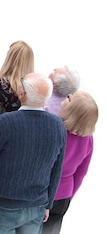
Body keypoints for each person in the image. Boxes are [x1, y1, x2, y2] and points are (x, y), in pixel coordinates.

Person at [0, 72, 66, 234]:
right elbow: (56, 170)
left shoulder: (5, 123)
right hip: (36, 205)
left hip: (1, 204)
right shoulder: (57, 126)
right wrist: (48, 203)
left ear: (21, 94)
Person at [42, 90, 98, 234]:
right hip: (64, 195)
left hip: (42, 190)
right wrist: (69, 195)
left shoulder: (54, 129)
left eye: (70, 98)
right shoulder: (88, 139)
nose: (67, 97)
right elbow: (80, 174)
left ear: (72, 110)